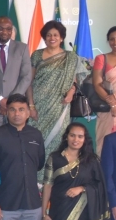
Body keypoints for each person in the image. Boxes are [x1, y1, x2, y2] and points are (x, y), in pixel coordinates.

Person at [30, 20, 89, 158]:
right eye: (49, 35)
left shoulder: (70, 57)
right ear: (44, 37)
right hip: (39, 105)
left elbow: (76, 79)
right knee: (35, 140)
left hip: (60, 105)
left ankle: (52, 175)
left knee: (57, 140)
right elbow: (29, 82)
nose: (52, 38)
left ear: (61, 37)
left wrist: (72, 91)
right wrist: (31, 105)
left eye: (55, 35)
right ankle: (36, 176)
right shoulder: (36, 55)